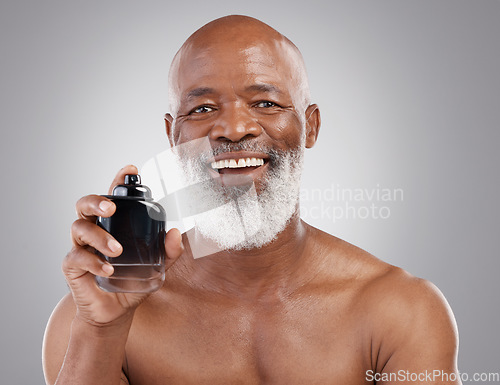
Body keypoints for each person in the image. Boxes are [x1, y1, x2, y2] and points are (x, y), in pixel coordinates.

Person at [43, 15, 461, 385]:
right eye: (203, 108)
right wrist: (100, 332)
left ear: (310, 126)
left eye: (265, 102)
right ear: (172, 137)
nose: (235, 127)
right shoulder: (91, 319)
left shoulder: (400, 311)